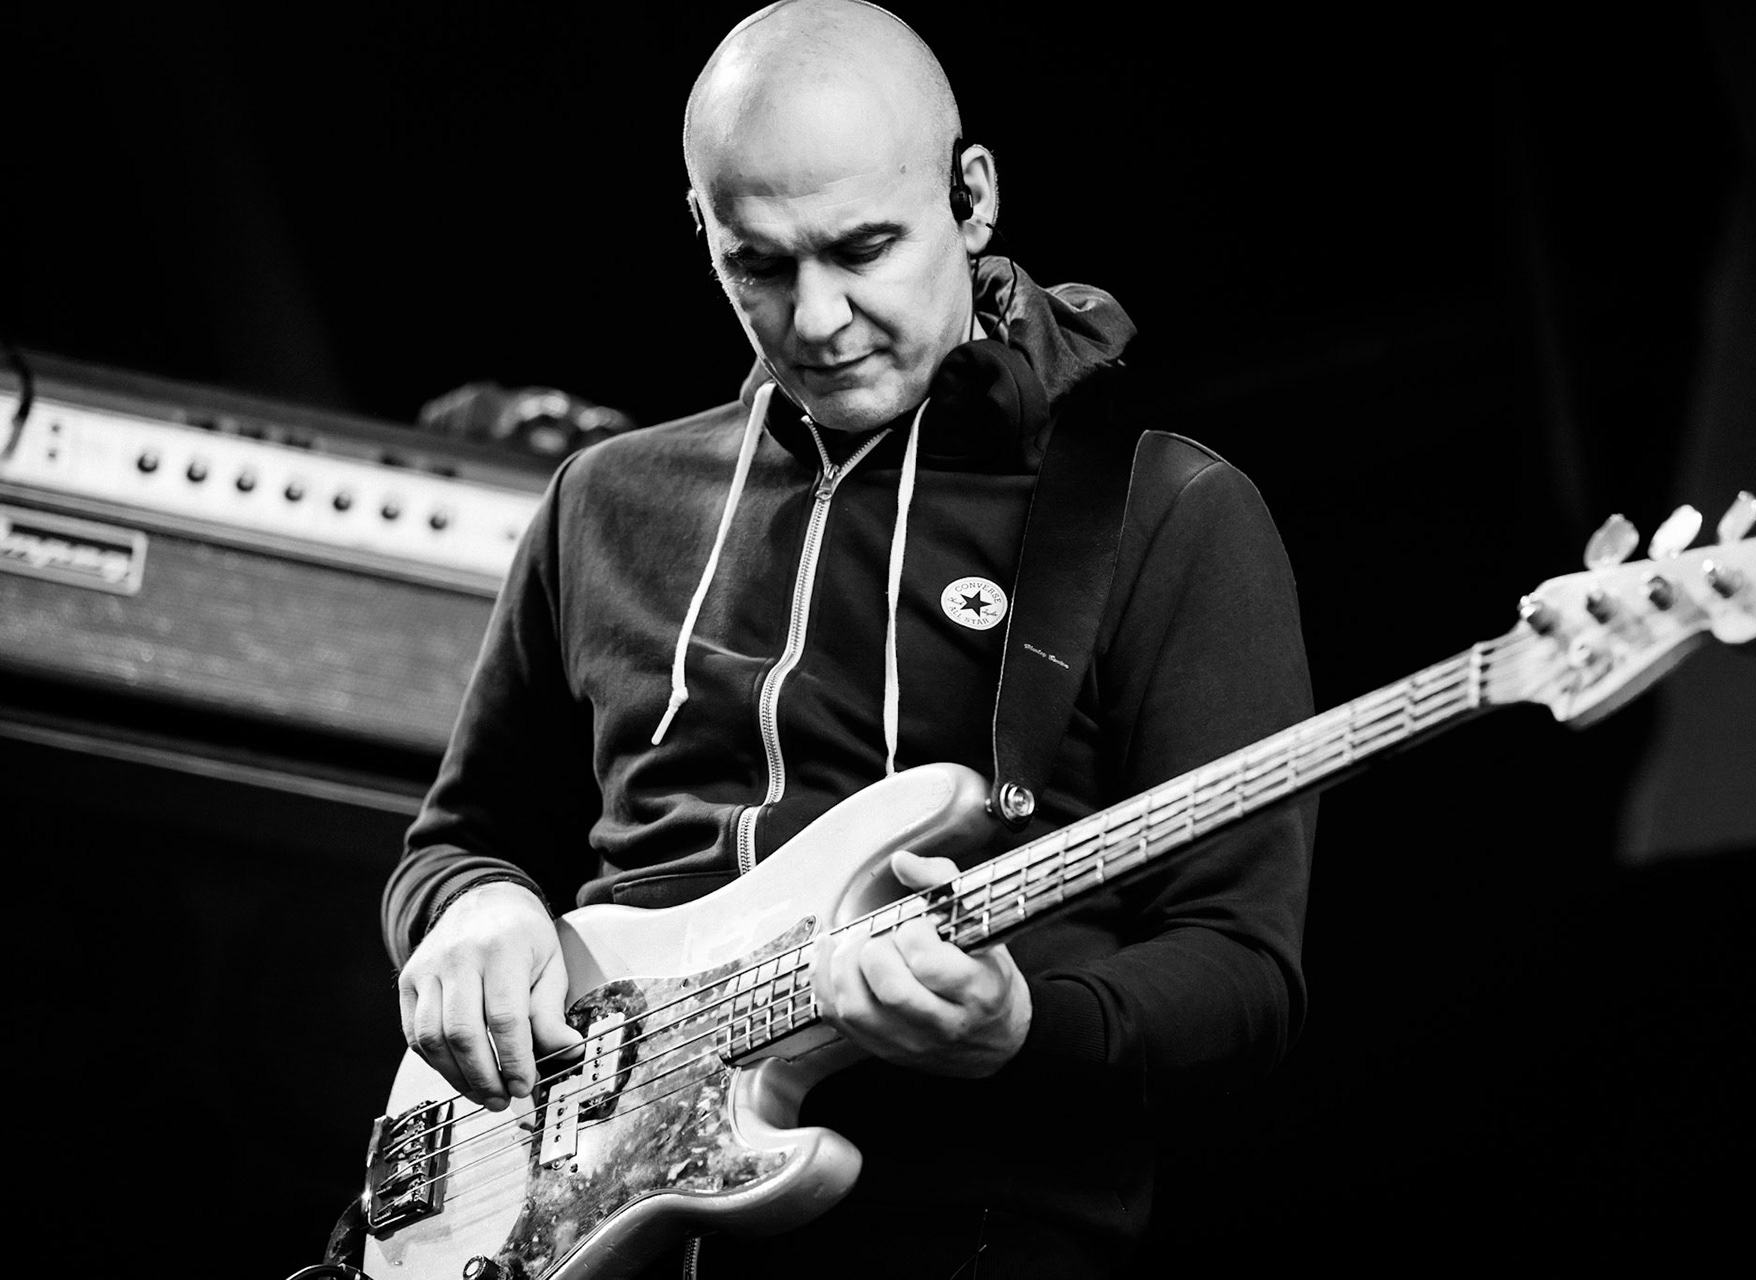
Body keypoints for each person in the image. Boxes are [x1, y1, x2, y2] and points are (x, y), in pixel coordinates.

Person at [382, 2, 1315, 1275]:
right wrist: (470, 910)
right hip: (556, 1217)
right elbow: (461, 839)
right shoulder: (603, 500)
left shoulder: (1164, 512)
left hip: (962, 1227)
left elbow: (1244, 968)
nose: (817, 320)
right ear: (702, 230)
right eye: (758, 265)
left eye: (865, 248)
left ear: (972, 197)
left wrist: (1025, 1025)